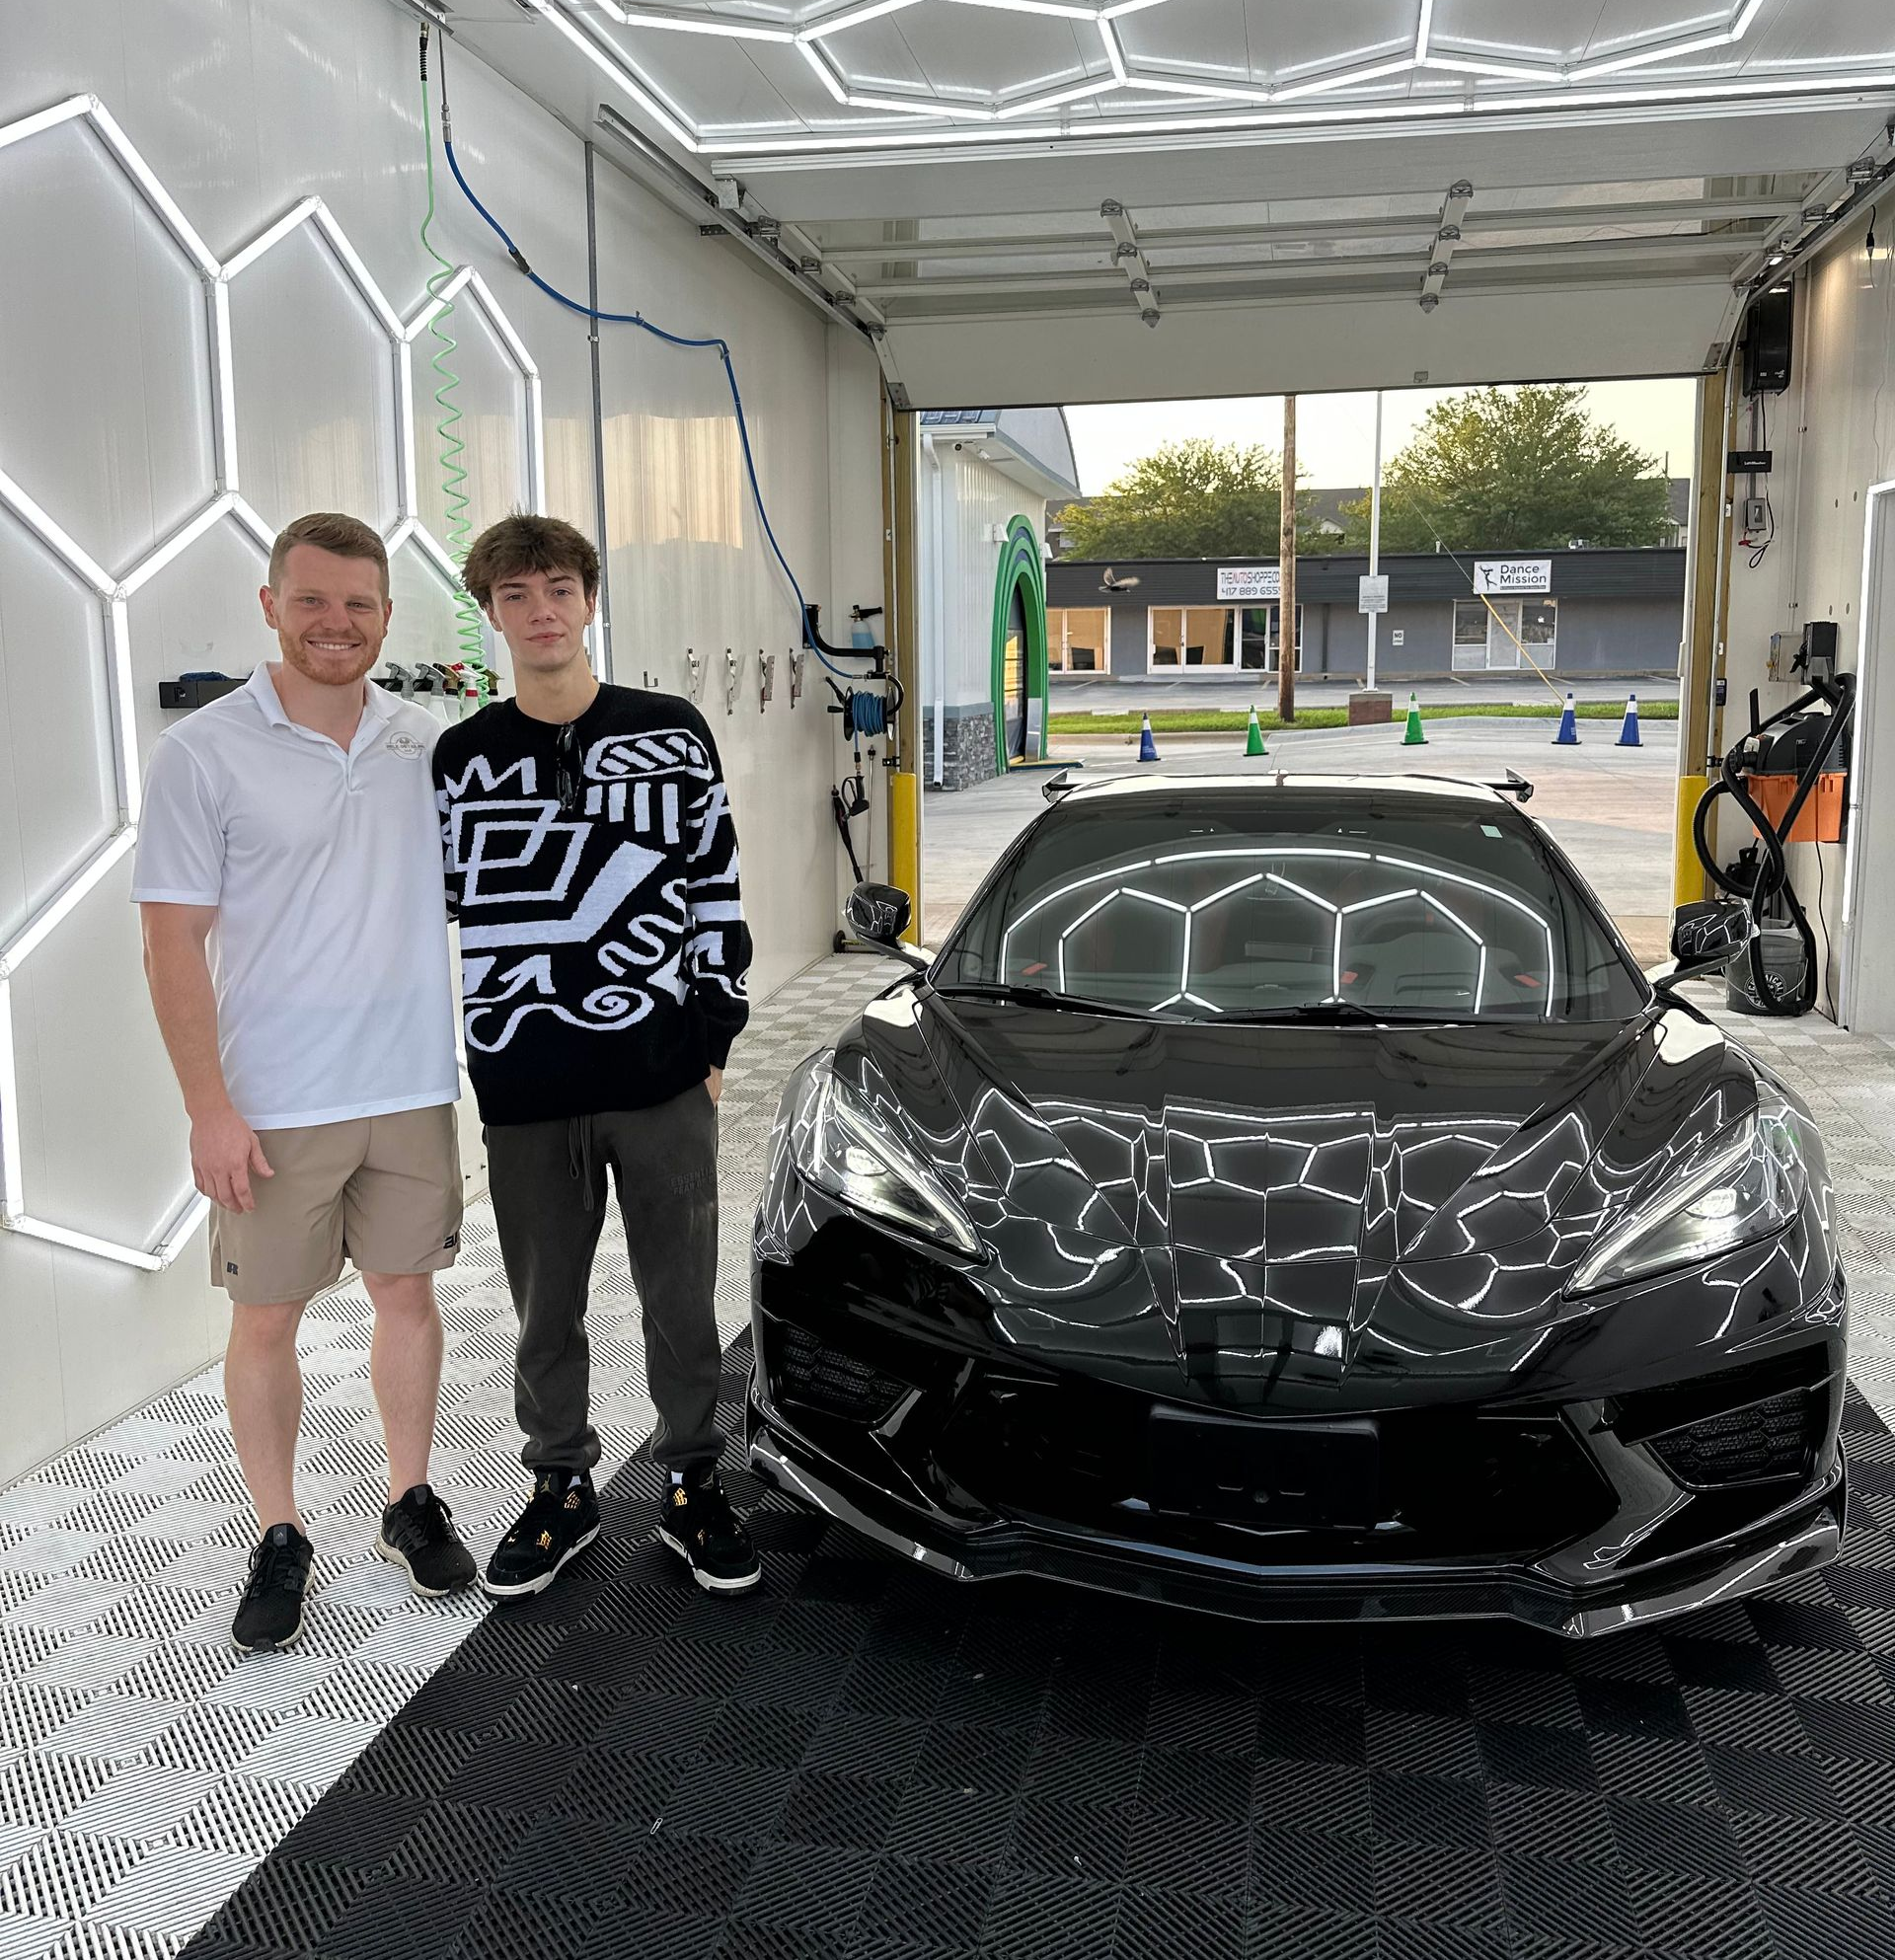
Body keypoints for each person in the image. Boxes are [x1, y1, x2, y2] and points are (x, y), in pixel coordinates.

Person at [133, 511, 476, 1654]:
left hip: (411, 1081)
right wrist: (209, 1110)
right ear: (271, 606)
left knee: (407, 1298)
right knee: (266, 1317)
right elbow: (171, 943)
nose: (339, 624)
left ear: (386, 617)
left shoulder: (423, 742)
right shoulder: (204, 752)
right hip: (275, 1099)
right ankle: (279, 1530)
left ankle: (408, 1498)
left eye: (361, 605)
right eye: (316, 601)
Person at [433, 512, 759, 1598]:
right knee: (544, 1309)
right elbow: (440, 906)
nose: (542, 613)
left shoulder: (669, 731)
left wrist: (711, 1036)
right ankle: (561, 1486)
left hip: (660, 1080)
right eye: (517, 596)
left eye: (560, 589)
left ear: (589, 600)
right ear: (490, 614)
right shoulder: (463, 756)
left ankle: (692, 1481)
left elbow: (714, 884)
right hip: (526, 1085)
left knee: (680, 1297)